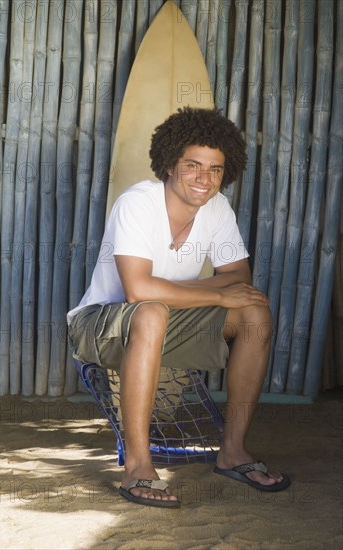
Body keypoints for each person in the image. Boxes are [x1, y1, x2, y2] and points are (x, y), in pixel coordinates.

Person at [67, 107, 291, 509]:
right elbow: (138, 289)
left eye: (215, 169)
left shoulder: (217, 207)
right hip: (100, 325)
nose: (204, 179)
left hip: (167, 322)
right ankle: (138, 467)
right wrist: (217, 295)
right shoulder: (138, 203)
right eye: (193, 165)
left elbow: (240, 276)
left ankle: (233, 452)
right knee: (152, 310)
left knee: (254, 313)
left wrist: (188, 292)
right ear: (170, 164)